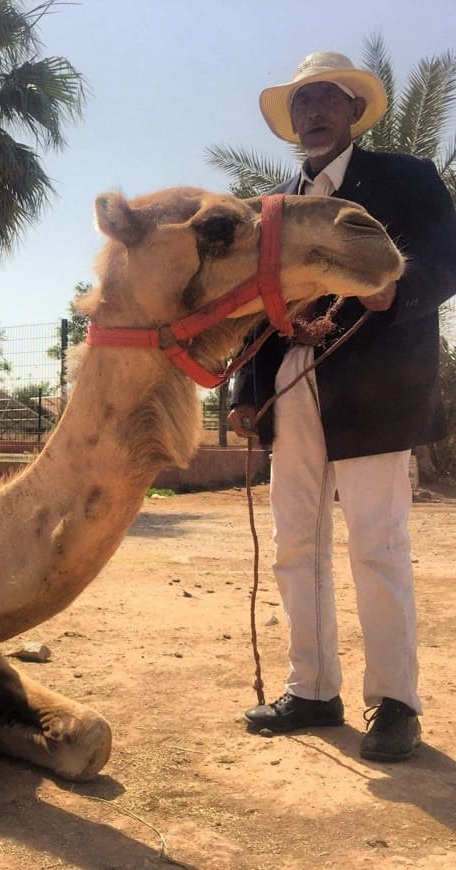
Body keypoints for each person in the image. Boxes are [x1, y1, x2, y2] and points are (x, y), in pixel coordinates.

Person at [228, 52, 456, 762]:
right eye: (301, 103)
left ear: (354, 110)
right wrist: (247, 393)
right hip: (290, 385)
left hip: (376, 386)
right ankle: (314, 688)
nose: (313, 113)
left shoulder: (405, 180)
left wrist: (398, 290)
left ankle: (395, 702)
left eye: (326, 99)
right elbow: (253, 307)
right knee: (296, 541)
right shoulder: (273, 205)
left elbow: (448, 260)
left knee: (376, 544)